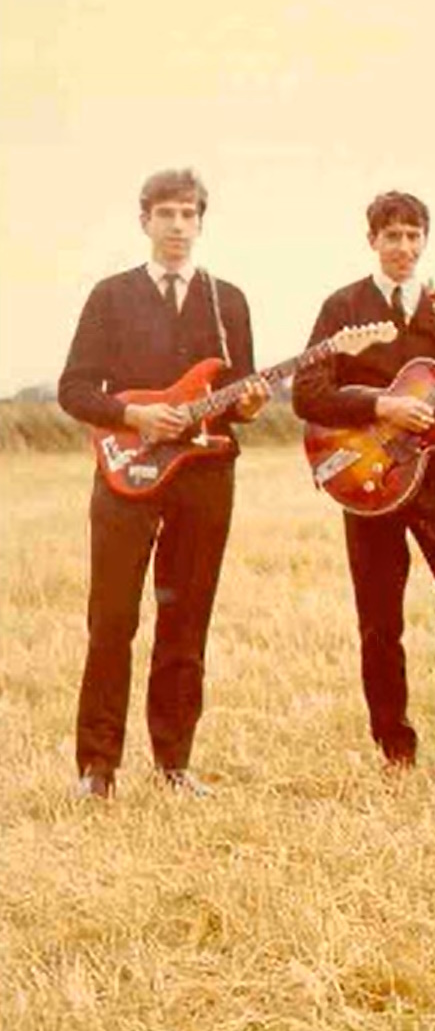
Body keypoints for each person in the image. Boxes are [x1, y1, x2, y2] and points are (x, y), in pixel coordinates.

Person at [58, 167, 270, 799]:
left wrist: (250, 405)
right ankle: (98, 768)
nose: (178, 225)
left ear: (201, 223)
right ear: (144, 221)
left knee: (187, 620)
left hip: (204, 476)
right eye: (167, 214)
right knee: (112, 619)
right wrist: (134, 416)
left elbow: (239, 396)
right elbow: (74, 389)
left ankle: (174, 763)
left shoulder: (227, 300)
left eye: (188, 214)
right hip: (125, 473)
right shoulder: (110, 296)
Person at [293, 191, 435, 774]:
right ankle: (394, 746)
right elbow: (307, 394)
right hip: (369, 481)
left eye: (413, 236)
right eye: (392, 236)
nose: (404, 247)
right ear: (372, 241)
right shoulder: (342, 306)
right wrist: (381, 406)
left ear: (425, 240)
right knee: (380, 621)